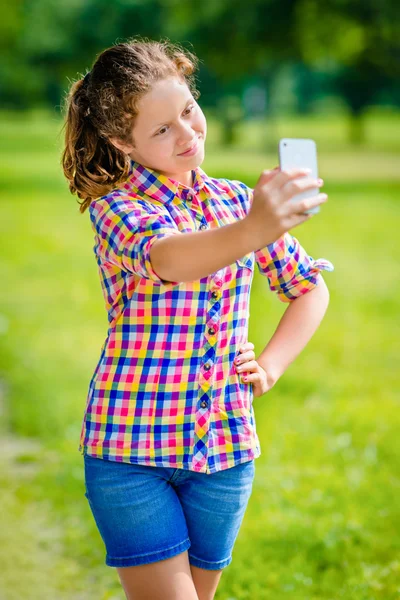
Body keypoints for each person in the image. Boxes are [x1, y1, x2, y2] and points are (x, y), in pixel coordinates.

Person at [61, 36, 334, 600]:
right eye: (161, 130)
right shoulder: (118, 209)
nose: (187, 134)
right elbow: (171, 258)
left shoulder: (237, 202)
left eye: (188, 110)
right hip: (130, 454)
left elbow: (308, 289)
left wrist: (272, 366)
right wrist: (255, 229)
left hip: (225, 453)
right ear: (122, 142)